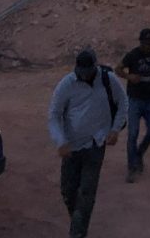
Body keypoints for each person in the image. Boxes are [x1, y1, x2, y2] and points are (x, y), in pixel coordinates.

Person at [48, 49, 127, 238]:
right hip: (71, 147)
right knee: (68, 191)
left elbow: (123, 101)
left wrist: (115, 129)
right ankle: (79, 221)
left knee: (86, 192)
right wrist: (60, 141)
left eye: (87, 71)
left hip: (96, 144)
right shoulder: (66, 84)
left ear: (95, 67)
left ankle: (77, 232)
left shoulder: (108, 79)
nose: (83, 75)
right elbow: (54, 115)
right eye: (80, 71)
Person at [116, 28, 150, 183]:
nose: (147, 46)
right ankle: (132, 168)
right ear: (140, 42)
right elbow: (118, 69)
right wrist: (129, 76)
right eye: (145, 43)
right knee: (132, 134)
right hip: (135, 100)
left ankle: (139, 153)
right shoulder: (133, 55)